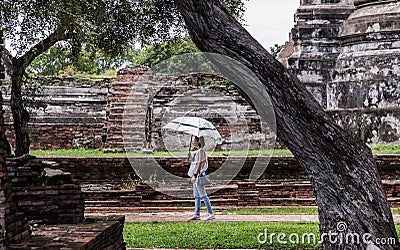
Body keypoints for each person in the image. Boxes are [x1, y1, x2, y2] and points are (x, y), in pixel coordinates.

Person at [187, 136, 215, 221]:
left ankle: (211, 213)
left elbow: (199, 164)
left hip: (198, 175)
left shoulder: (201, 151)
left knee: (203, 195)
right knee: (197, 196)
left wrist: (195, 175)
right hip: (196, 175)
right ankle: (197, 213)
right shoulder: (198, 151)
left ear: (198, 141)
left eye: (194, 140)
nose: (193, 142)